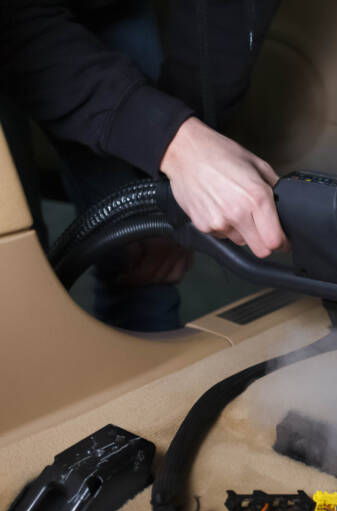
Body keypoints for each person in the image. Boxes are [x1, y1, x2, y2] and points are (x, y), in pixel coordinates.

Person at [0, 0, 287, 330]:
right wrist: (172, 142)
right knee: (16, 271)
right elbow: (15, 26)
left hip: (108, 8)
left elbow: (226, 14)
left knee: (142, 255)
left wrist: (181, 168)